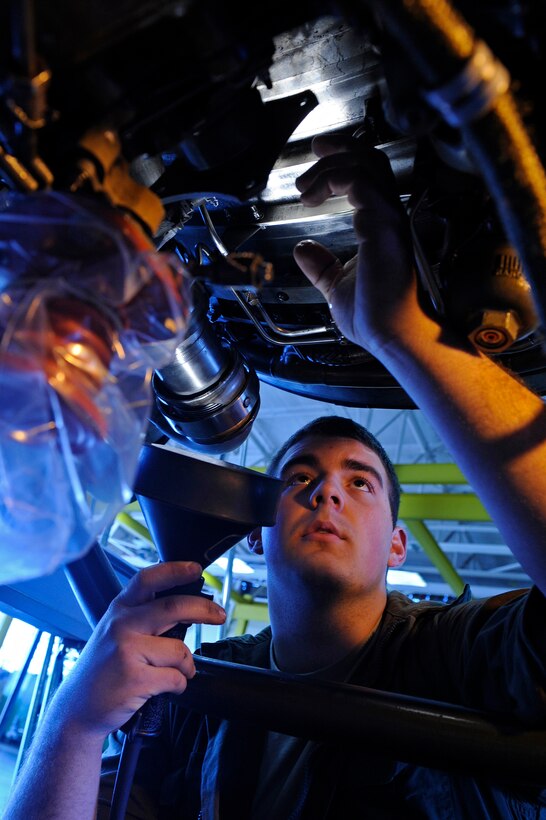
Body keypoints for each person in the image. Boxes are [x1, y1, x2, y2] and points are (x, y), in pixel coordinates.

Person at [5, 134, 546, 819]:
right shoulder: (197, 690)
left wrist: (405, 337)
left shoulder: (460, 661)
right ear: (255, 537)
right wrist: (75, 723)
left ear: (399, 545)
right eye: (299, 479)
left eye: (361, 483)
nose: (327, 491)